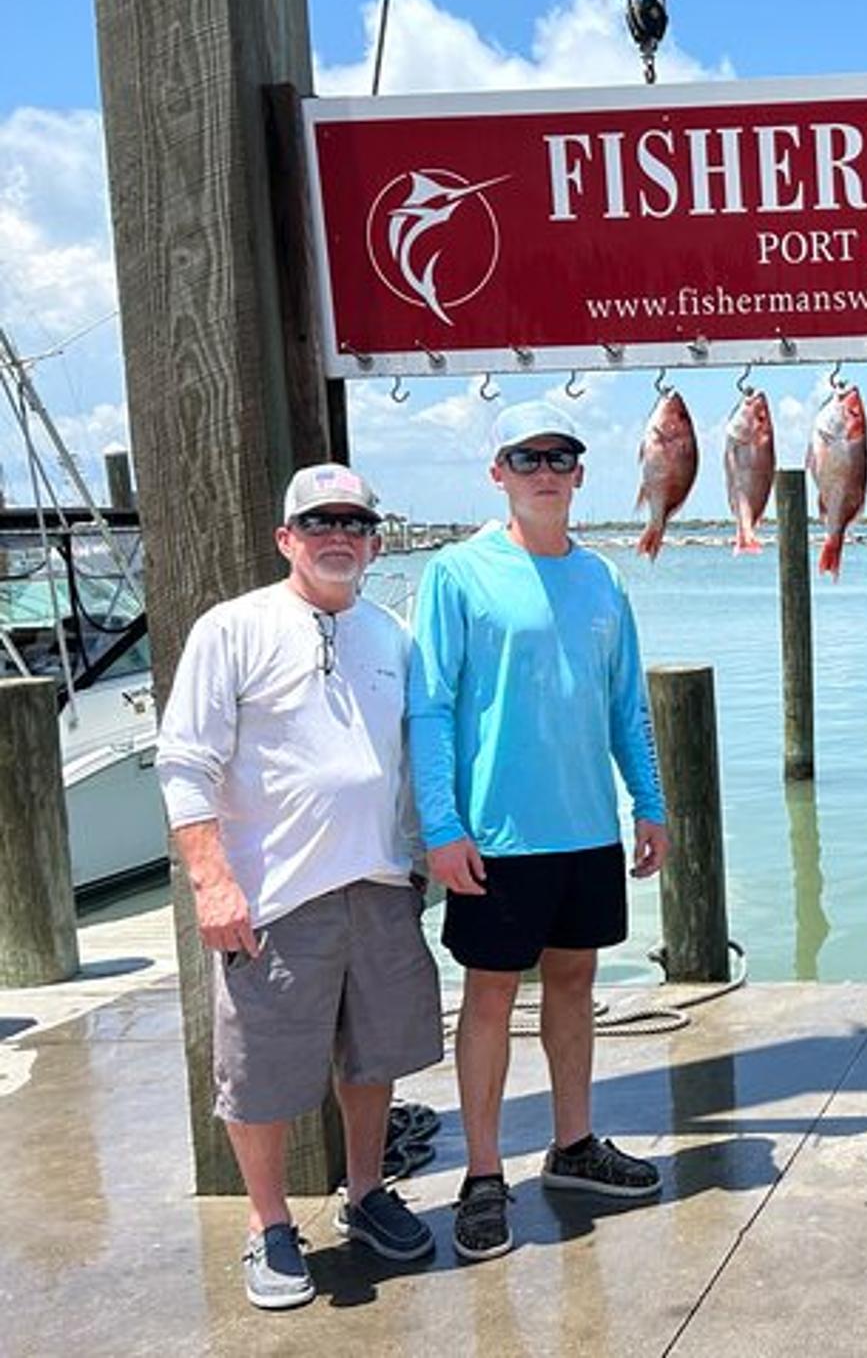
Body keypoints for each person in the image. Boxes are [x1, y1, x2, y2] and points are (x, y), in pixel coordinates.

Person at [155, 464, 442, 1310]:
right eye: (319, 521)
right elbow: (185, 762)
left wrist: (424, 859)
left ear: (375, 539)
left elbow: (411, 761)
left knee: (374, 1056)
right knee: (262, 1072)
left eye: (355, 521)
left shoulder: (393, 633)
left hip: (381, 883)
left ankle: (365, 1191)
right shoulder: (231, 627)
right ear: (287, 537)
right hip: (275, 897)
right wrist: (211, 880)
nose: (338, 535)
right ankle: (268, 1223)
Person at [410, 400, 670, 1262]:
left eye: (561, 458)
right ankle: (484, 1174)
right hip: (495, 835)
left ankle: (573, 1142)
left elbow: (626, 704)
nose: (546, 472)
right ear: (500, 474)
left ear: (581, 474)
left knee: (574, 982)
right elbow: (431, 705)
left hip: (586, 828)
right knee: (490, 995)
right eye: (528, 459)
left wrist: (652, 801)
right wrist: (441, 825)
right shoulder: (456, 572)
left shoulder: (603, 577)